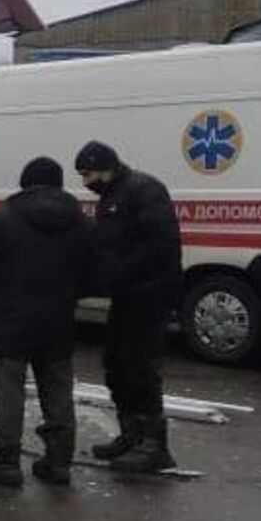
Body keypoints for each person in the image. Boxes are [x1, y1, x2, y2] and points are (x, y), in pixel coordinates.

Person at [0, 157, 92, 486]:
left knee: (8, 389)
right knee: (58, 389)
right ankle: (59, 462)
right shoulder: (79, 221)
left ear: (24, 182)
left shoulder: (4, 218)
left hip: (11, 318)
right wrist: (69, 297)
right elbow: (95, 272)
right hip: (58, 321)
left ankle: (5, 462)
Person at [75, 140, 185, 474]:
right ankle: (131, 435)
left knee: (140, 366)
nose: (85, 182)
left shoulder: (144, 190)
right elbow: (108, 245)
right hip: (127, 294)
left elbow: (157, 246)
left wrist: (118, 274)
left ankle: (154, 446)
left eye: (88, 173)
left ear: (106, 167)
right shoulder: (112, 195)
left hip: (149, 294)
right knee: (117, 363)